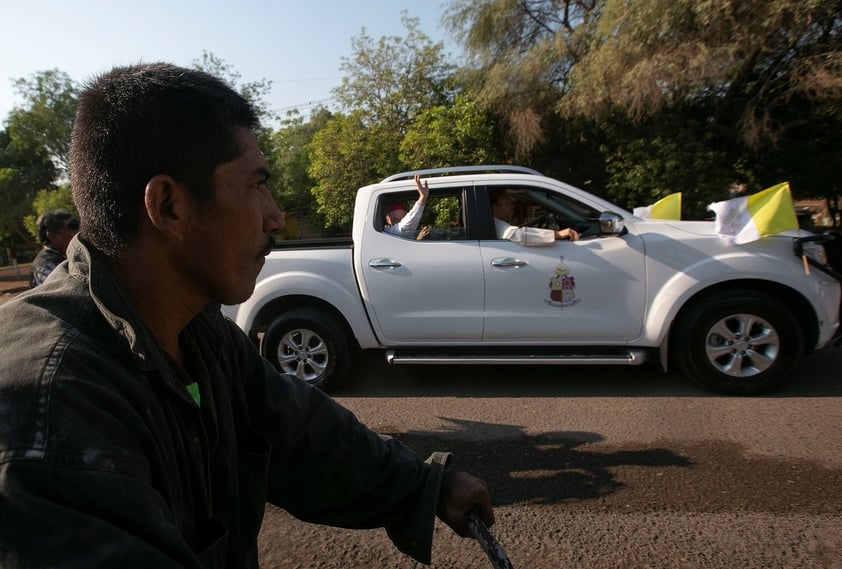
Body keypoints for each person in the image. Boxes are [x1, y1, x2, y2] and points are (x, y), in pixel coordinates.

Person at [0, 63, 493, 568]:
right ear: (169, 206)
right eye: (257, 184)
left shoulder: (199, 335)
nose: (275, 215)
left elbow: (303, 433)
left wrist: (424, 486)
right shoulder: (48, 403)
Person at [490, 189, 579, 245]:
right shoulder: (496, 225)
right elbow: (520, 235)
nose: (513, 206)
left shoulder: (495, 223)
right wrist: (559, 234)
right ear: (496, 208)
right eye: (508, 203)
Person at [28, 209, 79, 287]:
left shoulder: (64, 256)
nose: (78, 233)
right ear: (53, 236)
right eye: (71, 228)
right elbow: (67, 292)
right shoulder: (46, 265)